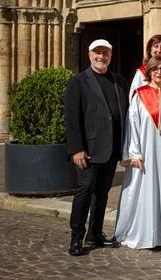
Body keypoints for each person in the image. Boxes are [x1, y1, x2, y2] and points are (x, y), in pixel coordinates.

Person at [64, 39, 129, 256]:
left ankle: (96, 233)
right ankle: (76, 236)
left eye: (105, 53)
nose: (101, 57)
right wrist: (76, 149)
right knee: (84, 192)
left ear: (111, 55)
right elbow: (72, 118)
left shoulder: (119, 81)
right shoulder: (78, 81)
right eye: (97, 53)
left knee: (101, 194)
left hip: (111, 149)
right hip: (88, 150)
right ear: (89, 54)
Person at [115, 56, 161, 249]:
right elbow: (133, 125)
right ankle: (148, 235)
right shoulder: (140, 94)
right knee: (148, 189)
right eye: (155, 69)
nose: (159, 72)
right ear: (149, 72)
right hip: (147, 151)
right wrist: (134, 152)